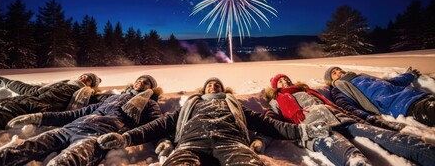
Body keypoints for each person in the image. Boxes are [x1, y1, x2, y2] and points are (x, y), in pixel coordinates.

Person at [97, 77, 330, 166]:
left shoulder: (234, 104)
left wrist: (301, 131)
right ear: (203, 89)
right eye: (210, 85)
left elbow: (267, 124)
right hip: (191, 144)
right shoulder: (190, 105)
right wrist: (125, 137)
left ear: (223, 89)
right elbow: (159, 125)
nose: (213, 87)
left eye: (217, 85)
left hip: (232, 143)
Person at [254, 73, 435, 166]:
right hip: (315, 129)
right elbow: (271, 121)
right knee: (353, 158)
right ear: (275, 87)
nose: (285, 82)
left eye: (286, 79)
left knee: (392, 139)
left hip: (342, 118)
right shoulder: (277, 101)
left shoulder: (308, 91)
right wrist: (261, 140)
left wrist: (376, 122)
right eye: (280, 81)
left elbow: (341, 105)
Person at [0, 75, 164, 166]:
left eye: (146, 82)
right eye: (139, 80)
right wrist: (38, 117)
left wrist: (163, 141)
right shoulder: (112, 98)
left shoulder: (149, 104)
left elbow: (156, 125)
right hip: (68, 128)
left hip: (96, 138)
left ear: (151, 88)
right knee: (17, 149)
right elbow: (75, 113)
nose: (141, 82)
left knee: (64, 162)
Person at [324, 66, 435, 127]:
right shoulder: (339, 88)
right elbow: (347, 107)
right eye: (334, 72)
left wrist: (409, 75)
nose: (339, 71)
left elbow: (391, 82)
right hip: (402, 105)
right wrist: (368, 119)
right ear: (331, 80)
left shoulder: (361, 76)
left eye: (338, 69)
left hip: (416, 94)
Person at [0, 73, 101, 132]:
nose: (83, 78)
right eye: (83, 76)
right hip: (10, 103)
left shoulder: (84, 95)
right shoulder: (56, 85)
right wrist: (8, 82)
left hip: (23, 110)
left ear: (90, 86)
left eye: (88, 80)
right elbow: (28, 89)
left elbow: (103, 99)